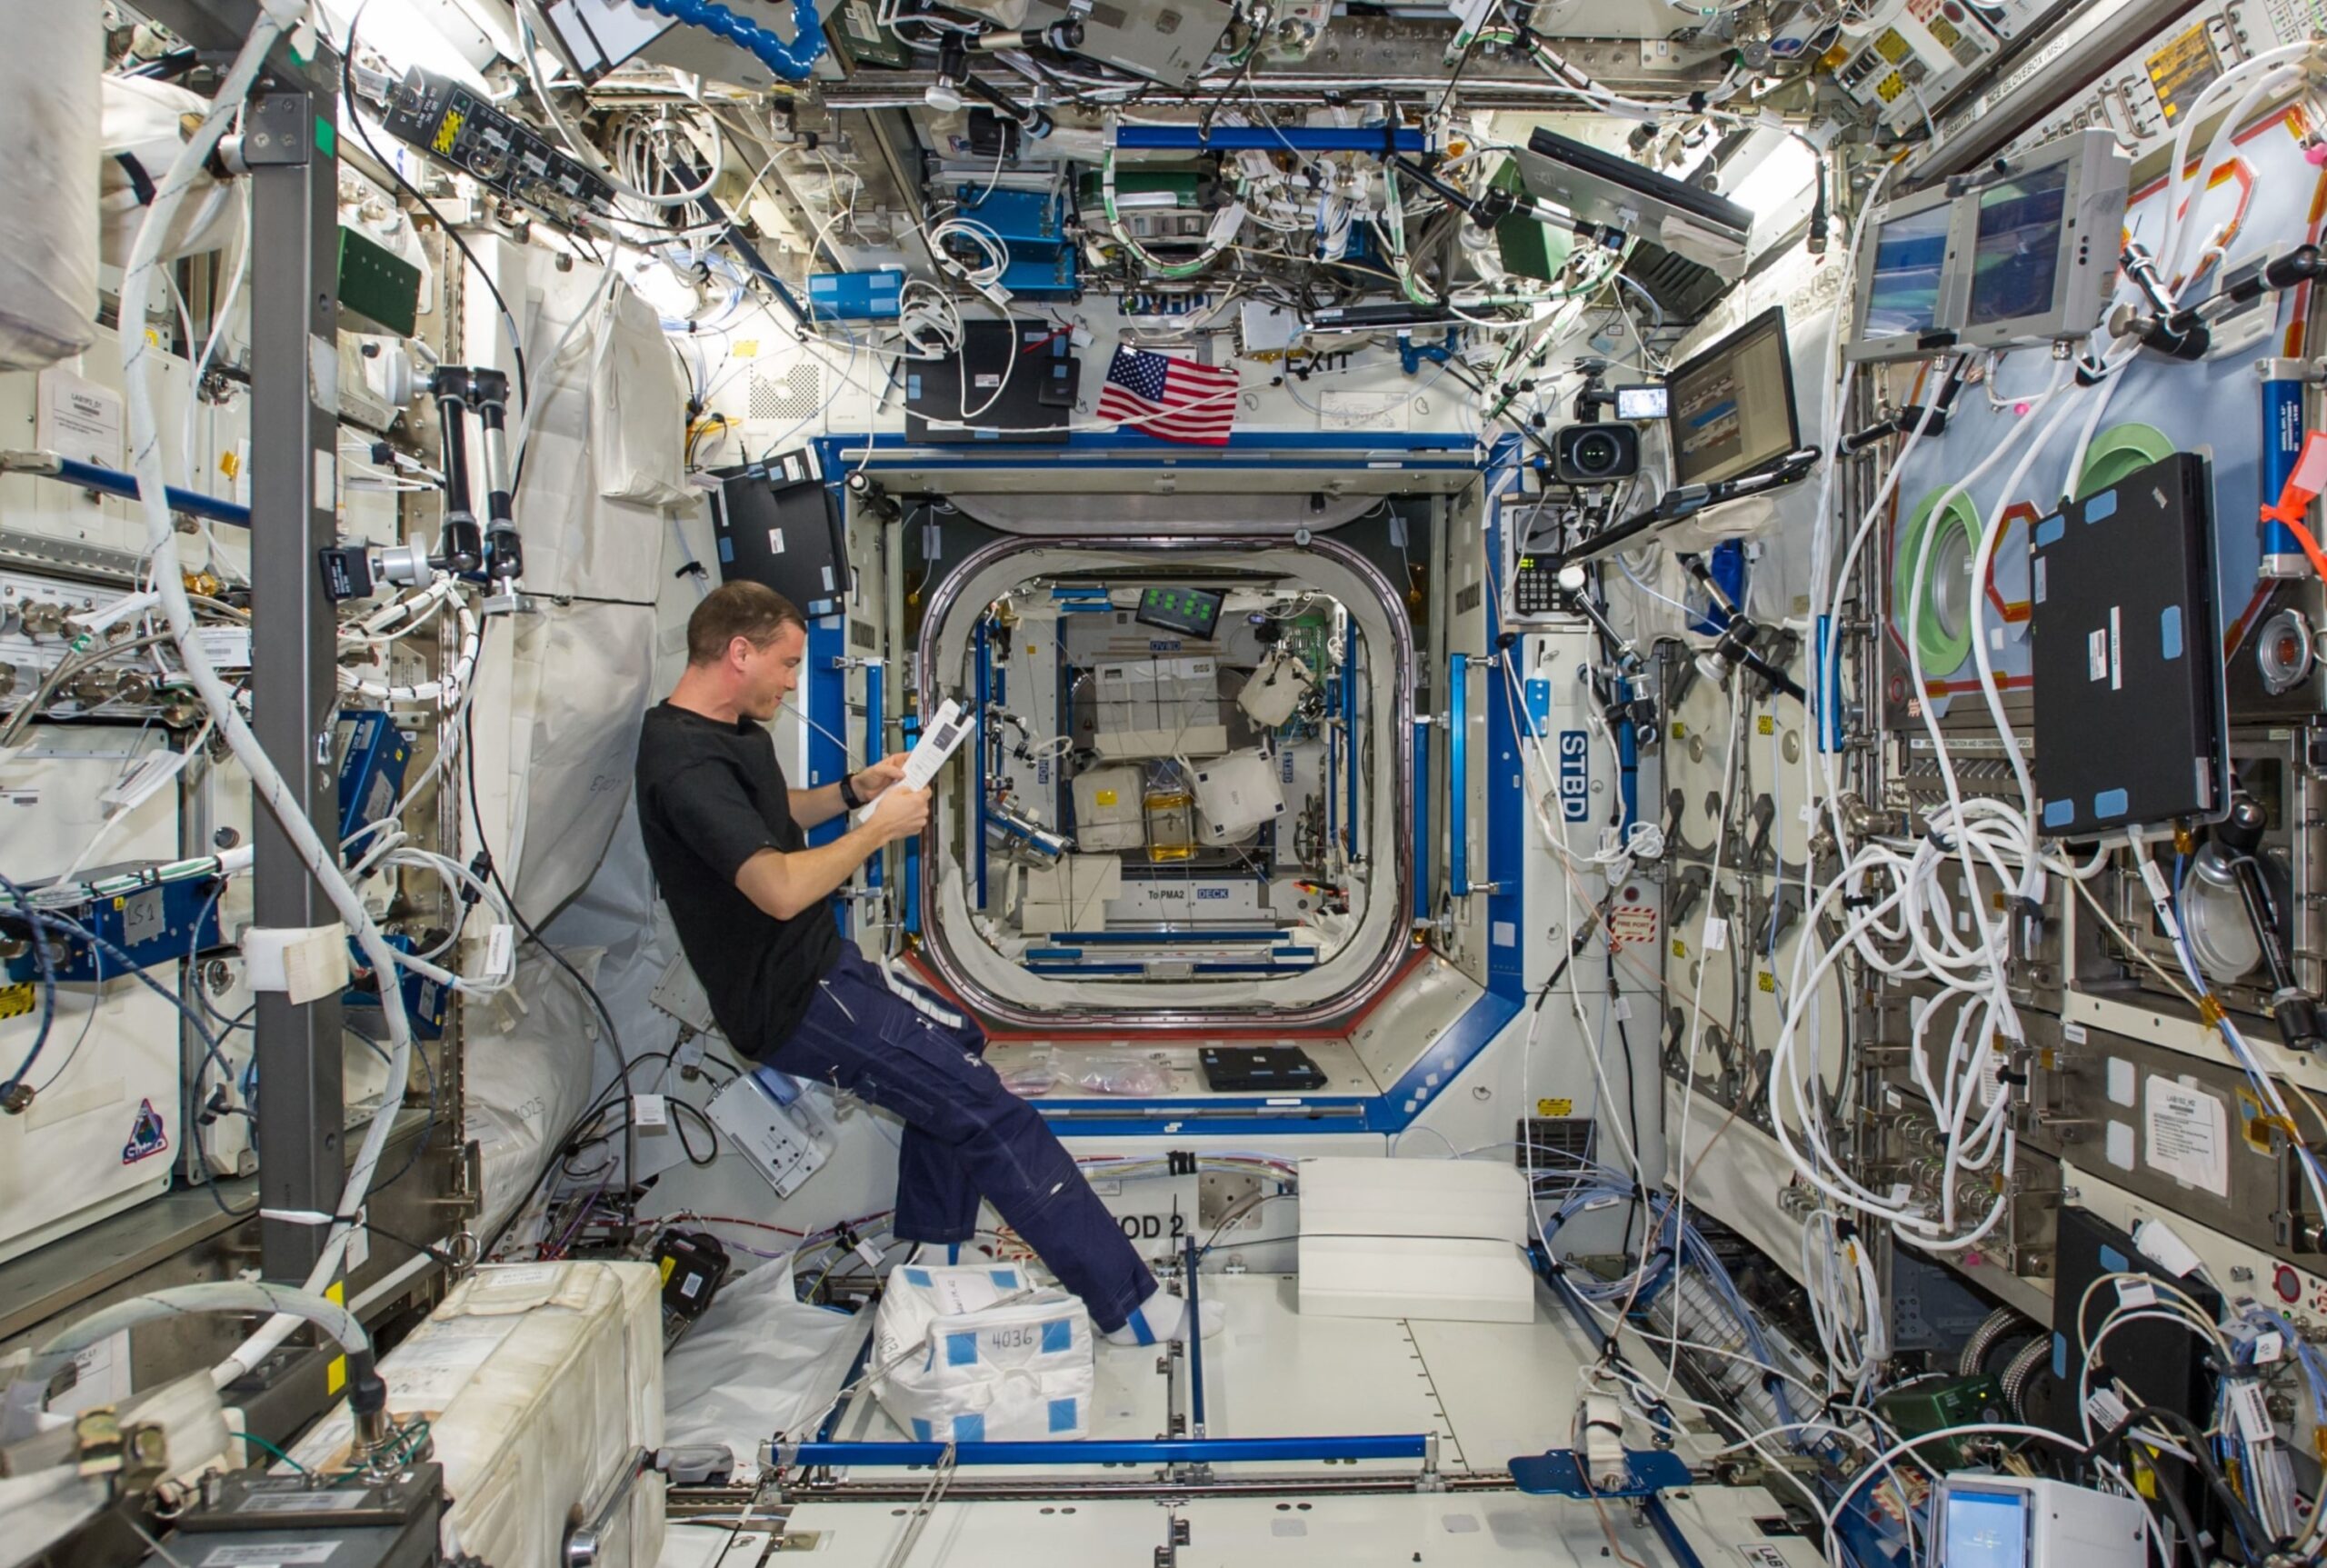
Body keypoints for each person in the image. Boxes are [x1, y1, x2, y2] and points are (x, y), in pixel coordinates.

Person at [634, 582, 1217, 1345]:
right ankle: (1129, 1306)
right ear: (738, 652)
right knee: (989, 1111)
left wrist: (855, 790)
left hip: (823, 965)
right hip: (797, 1000)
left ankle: (936, 1254)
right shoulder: (682, 762)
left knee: (962, 1045)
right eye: (787, 664)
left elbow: (773, 811)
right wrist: (879, 831)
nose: (792, 682)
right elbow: (777, 888)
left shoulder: (731, 729)